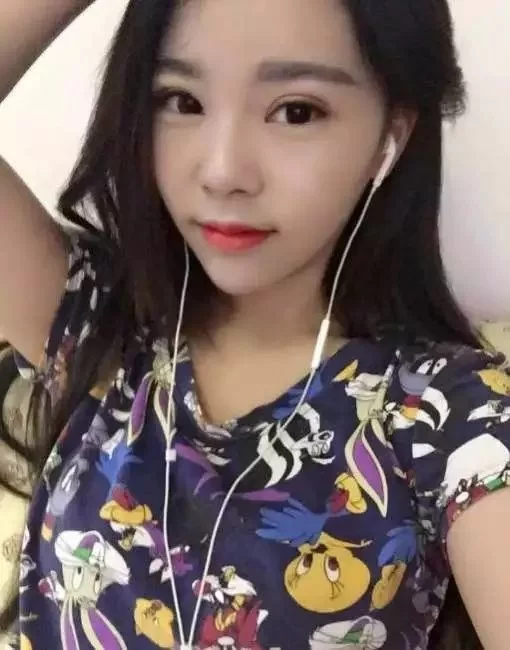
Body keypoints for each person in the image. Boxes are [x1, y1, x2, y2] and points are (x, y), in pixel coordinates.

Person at [0, 0, 508, 648]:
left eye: (296, 111)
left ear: (391, 136)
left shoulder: (445, 416)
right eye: (182, 101)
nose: (222, 172)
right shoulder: (103, 328)